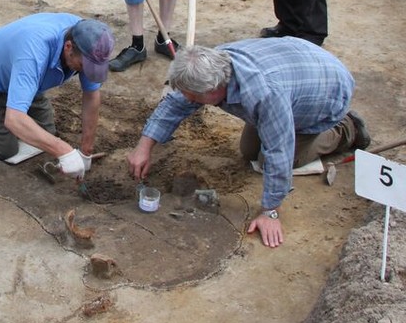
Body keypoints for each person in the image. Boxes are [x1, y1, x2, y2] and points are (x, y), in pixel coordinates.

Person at [125, 39, 370, 248]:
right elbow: (175, 103)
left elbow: (279, 151)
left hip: (326, 93)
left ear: (213, 91)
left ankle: (346, 129)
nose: (187, 100)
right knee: (249, 151)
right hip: (296, 68)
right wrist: (144, 146)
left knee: (269, 159)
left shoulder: (265, 95)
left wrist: (270, 211)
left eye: (193, 97)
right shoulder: (211, 64)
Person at [0, 13, 114, 178]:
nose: (86, 71)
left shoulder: (89, 42)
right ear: (68, 47)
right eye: (84, 66)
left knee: (46, 133)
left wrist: (86, 150)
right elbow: (14, 120)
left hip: (26, 78)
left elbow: (91, 96)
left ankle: (13, 98)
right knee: (4, 150)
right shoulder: (33, 53)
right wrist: (65, 152)